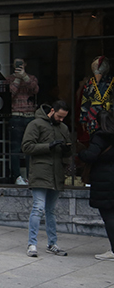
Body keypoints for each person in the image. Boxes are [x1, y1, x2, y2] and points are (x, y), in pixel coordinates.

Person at [21, 100, 71, 257]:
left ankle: (52, 243)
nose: (61, 119)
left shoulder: (63, 128)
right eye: (59, 116)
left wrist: (66, 150)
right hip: (40, 172)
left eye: (64, 117)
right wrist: (49, 146)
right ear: (52, 110)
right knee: (38, 208)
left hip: (56, 173)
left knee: (51, 211)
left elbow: (68, 151)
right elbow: (26, 147)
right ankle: (32, 244)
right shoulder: (36, 124)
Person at [79, 109, 114, 260]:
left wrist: (81, 153)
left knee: (109, 216)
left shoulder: (100, 136)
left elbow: (90, 155)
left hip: (104, 180)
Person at [7, 58, 38, 185]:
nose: (19, 65)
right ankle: (17, 176)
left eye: (20, 63)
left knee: (30, 147)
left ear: (25, 64)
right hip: (16, 115)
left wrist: (24, 76)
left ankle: (31, 175)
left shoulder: (31, 78)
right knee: (15, 148)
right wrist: (17, 78)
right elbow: (11, 93)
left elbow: (35, 89)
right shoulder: (9, 79)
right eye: (16, 63)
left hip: (30, 116)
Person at [81, 56, 113, 137]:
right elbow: (85, 101)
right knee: (94, 137)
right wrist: (83, 119)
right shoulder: (89, 84)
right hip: (93, 117)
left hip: (109, 117)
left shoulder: (112, 82)